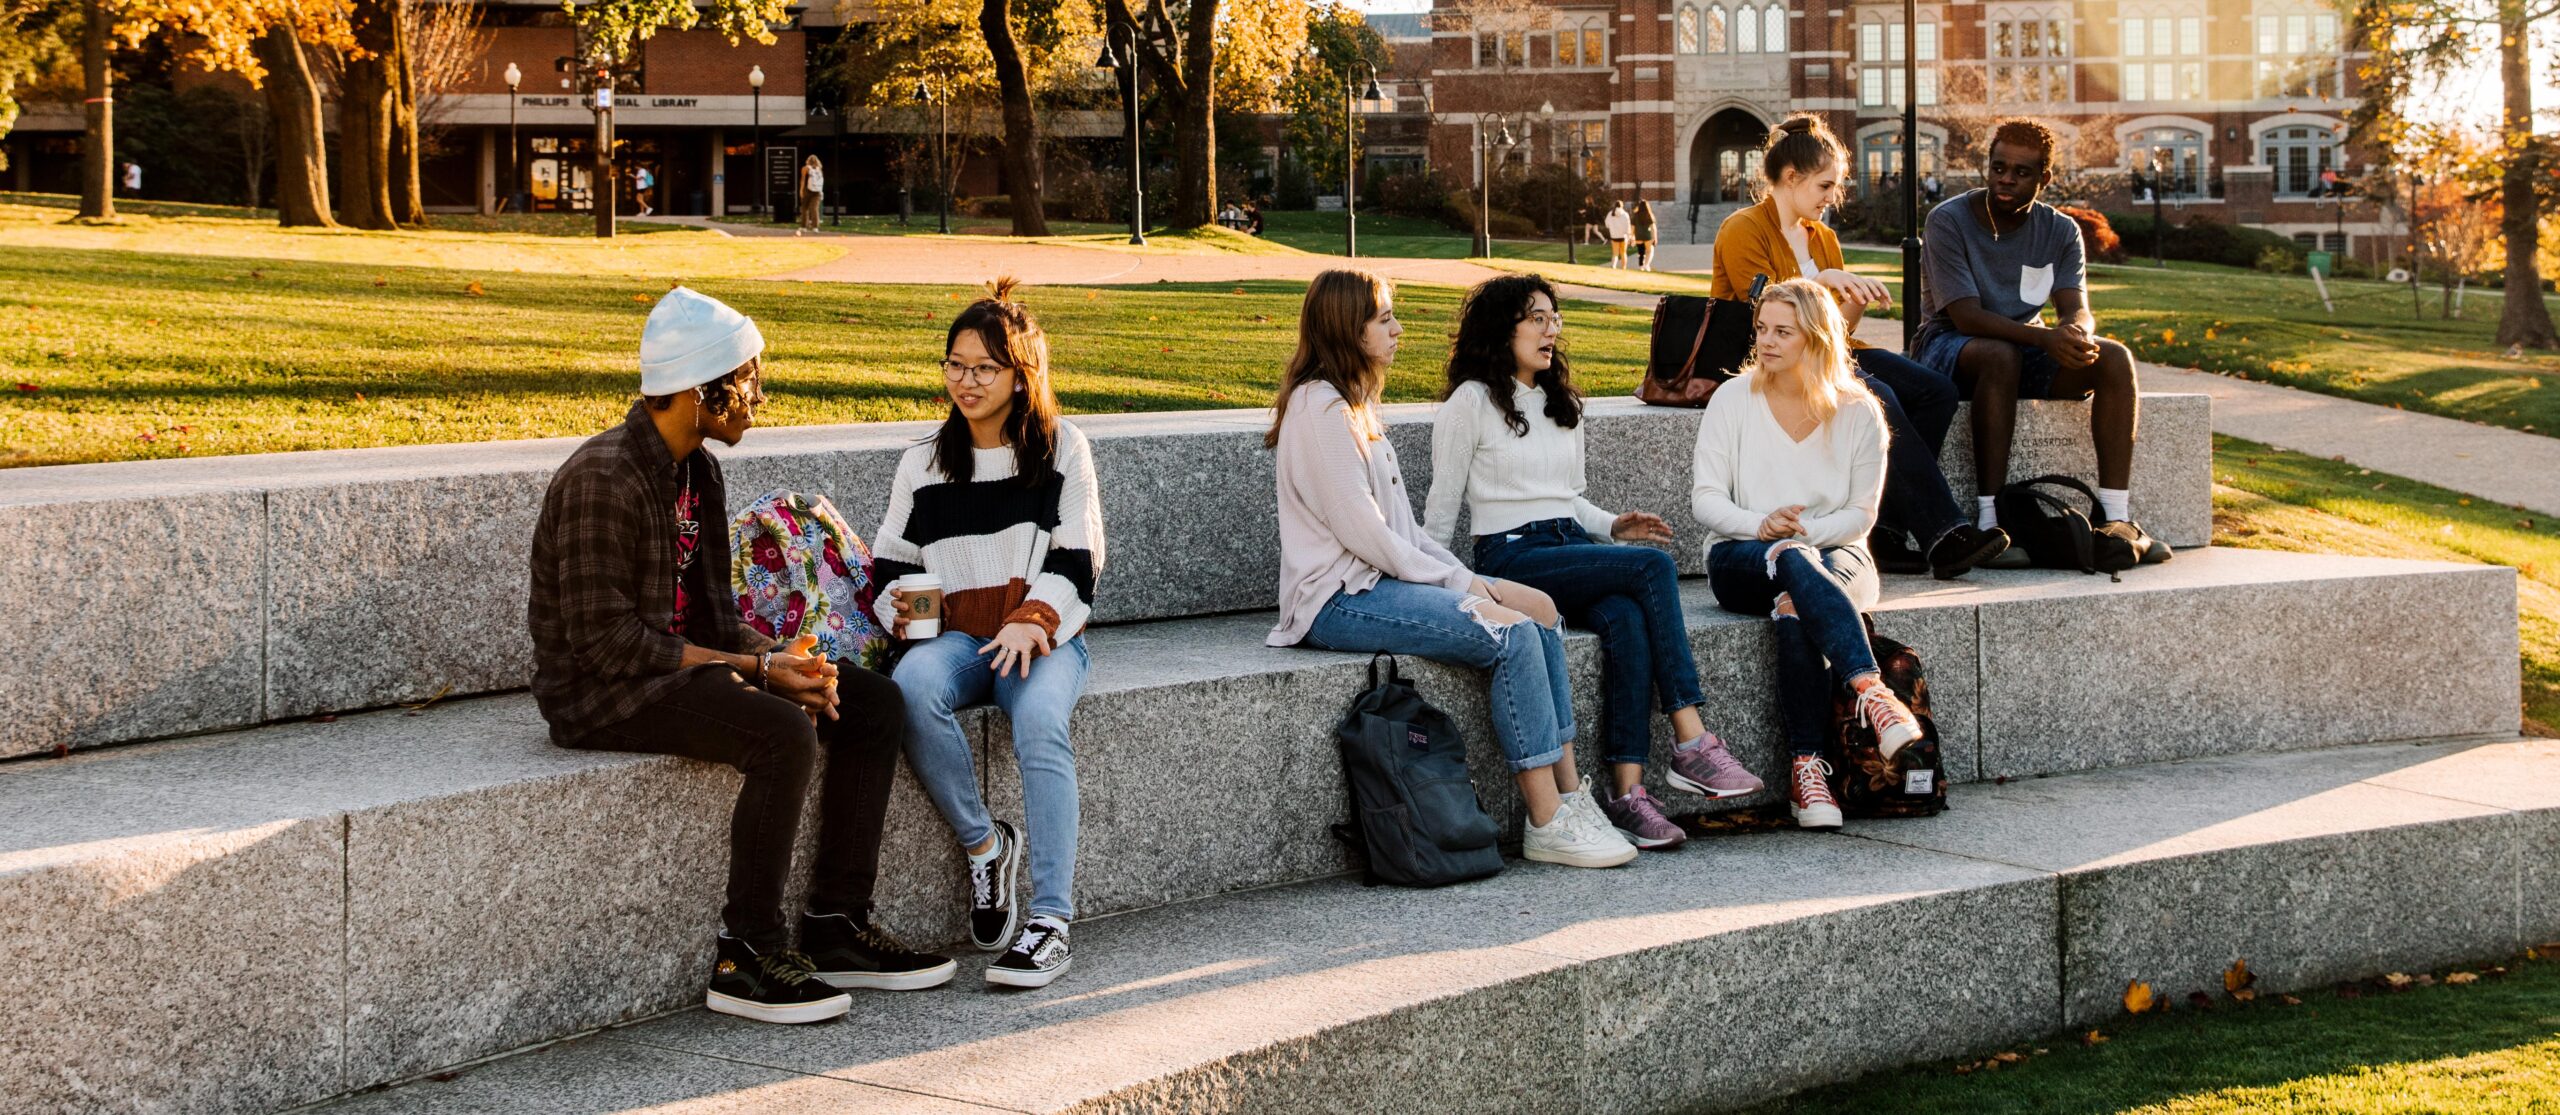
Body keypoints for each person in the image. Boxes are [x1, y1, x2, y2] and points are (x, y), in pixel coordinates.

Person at [527, 287, 953, 1026]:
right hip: (600, 691)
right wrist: (756, 674)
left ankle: (835, 926)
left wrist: (788, 659)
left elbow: (719, 619)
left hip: (670, 669)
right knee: (779, 729)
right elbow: (605, 644)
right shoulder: (603, 478)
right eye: (750, 377)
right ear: (702, 389)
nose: (760, 393)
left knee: (871, 700)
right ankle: (747, 952)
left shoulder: (698, 472)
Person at [1269, 269, 1638, 870]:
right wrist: (1469, 586)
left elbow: (1404, 534)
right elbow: (1365, 536)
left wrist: (1475, 579)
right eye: (1384, 318)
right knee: (1510, 632)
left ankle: (1573, 799)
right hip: (1336, 599)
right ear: (1347, 327)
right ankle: (1545, 821)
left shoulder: (1356, 406)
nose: (1397, 328)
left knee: (1540, 610)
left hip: (1381, 581)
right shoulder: (1320, 410)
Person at [1426, 274, 1763, 850]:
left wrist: (1611, 526)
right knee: (1652, 569)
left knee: (1628, 620)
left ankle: (1628, 795)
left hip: (1564, 545)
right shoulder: (1472, 402)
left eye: (1554, 318)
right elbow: (1442, 505)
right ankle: (1692, 740)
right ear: (1500, 328)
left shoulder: (1562, 404)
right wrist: (1436, 584)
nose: (1550, 329)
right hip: (1511, 555)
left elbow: (1566, 498)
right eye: (1536, 318)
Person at [873, 278, 1104, 990]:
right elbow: (889, 570)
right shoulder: (923, 462)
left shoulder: (1063, 448)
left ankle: (1052, 921)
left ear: (1019, 375)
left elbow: (1079, 558)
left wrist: (1030, 623)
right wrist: (912, 618)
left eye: (983, 368)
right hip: (957, 638)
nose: (964, 382)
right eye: (954, 365)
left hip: (1043, 636)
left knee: (1037, 717)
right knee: (910, 689)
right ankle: (984, 842)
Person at [1711, 114, 2009, 579]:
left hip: (1827, 350)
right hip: (1771, 351)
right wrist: (1820, 279)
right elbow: (1763, 312)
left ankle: (1886, 530)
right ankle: (1944, 533)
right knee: (1878, 398)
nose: (1833, 197)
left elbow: (1837, 331)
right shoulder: (1743, 228)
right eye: (1825, 185)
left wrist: (1853, 301)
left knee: (1936, 391)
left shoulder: (1822, 236)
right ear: (1791, 178)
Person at [1691, 279, 1927, 831]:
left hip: (1839, 555)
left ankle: (1806, 771)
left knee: (1797, 602)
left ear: (1817, 338)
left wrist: (1802, 535)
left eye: (1782, 332)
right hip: (1742, 557)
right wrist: (1761, 525)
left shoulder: (1858, 410)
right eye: (1762, 330)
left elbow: (1861, 516)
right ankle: (1871, 690)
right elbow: (1705, 500)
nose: (1766, 342)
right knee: (1791, 562)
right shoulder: (1733, 398)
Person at [1912, 118, 2164, 560]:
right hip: (1947, 345)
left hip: (2023, 346)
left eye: (2021, 172)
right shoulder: (1947, 220)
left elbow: (2076, 307)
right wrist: (2044, 340)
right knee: (2000, 355)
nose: (2006, 179)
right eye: (1998, 168)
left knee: (2114, 358)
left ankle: (2115, 518)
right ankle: (1991, 521)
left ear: (2044, 178)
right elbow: (1966, 317)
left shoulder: (2060, 231)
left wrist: (2076, 333)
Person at [797, 155, 824, 234]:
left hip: (808, 190)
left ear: (808, 160)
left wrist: (801, 190)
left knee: (805, 208)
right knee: (814, 209)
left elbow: (803, 180)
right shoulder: (819, 169)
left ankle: (804, 227)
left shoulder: (805, 168)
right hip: (818, 191)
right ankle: (815, 227)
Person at [1603, 201, 1633, 269]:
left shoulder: (1610, 213)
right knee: (1623, 253)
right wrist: (1629, 235)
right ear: (1622, 206)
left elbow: (1607, 224)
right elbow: (1628, 226)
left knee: (1615, 253)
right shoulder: (1625, 214)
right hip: (1623, 236)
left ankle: (1613, 265)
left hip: (1614, 236)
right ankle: (1623, 267)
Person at [1630, 199, 1659, 272]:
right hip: (1647, 235)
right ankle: (1646, 265)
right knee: (1650, 250)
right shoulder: (1649, 214)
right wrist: (1654, 237)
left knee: (1641, 252)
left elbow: (1632, 227)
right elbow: (1653, 228)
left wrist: (1632, 237)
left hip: (1638, 236)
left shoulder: (1635, 215)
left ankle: (1641, 266)